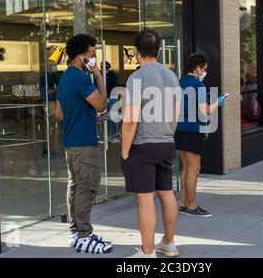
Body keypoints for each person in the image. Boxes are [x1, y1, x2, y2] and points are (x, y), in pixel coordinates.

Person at [121, 29, 181, 258]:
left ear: (137, 52)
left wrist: (125, 151)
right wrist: (167, 135)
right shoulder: (171, 76)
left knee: (145, 198)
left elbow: (130, 120)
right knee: (167, 193)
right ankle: (169, 243)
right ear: (157, 51)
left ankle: (147, 253)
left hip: (143, 145)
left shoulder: (138, 77)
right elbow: (175, 116)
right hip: (167, 142)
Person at [55, 34, 113, 254]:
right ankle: (85, 235)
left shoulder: (65, 78)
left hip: (71, 144)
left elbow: (59, 114)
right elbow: (100, 104)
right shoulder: (80, 77)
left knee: (75, 187)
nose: (94, 59)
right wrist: (98, 76)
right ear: (81, 56)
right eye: (92, 54)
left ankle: (76, 232)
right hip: (84, 144)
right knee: (86, 189)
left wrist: (80, 113)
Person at [175, 53, 225, 217]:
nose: (205, 72)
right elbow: (206, 110)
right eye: (204, 69)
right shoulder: (198, 85)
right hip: (193, 130)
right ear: (197, 68)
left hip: (179, 130)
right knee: (194, 169)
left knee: (185, 167)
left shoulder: (179, 82)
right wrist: (219, 101)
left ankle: (183, 204)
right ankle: (192, 206)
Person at [39, 46, 61, 158]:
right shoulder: (45, 76)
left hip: (52, 101)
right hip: (49, 102)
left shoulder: (51, 75)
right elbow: (44, 91)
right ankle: (47, 149)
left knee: (51, 126)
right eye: (52, 65)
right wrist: (55, 90)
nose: (54, 67)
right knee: (49, 126)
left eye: (55, 65)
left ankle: (49, 148)